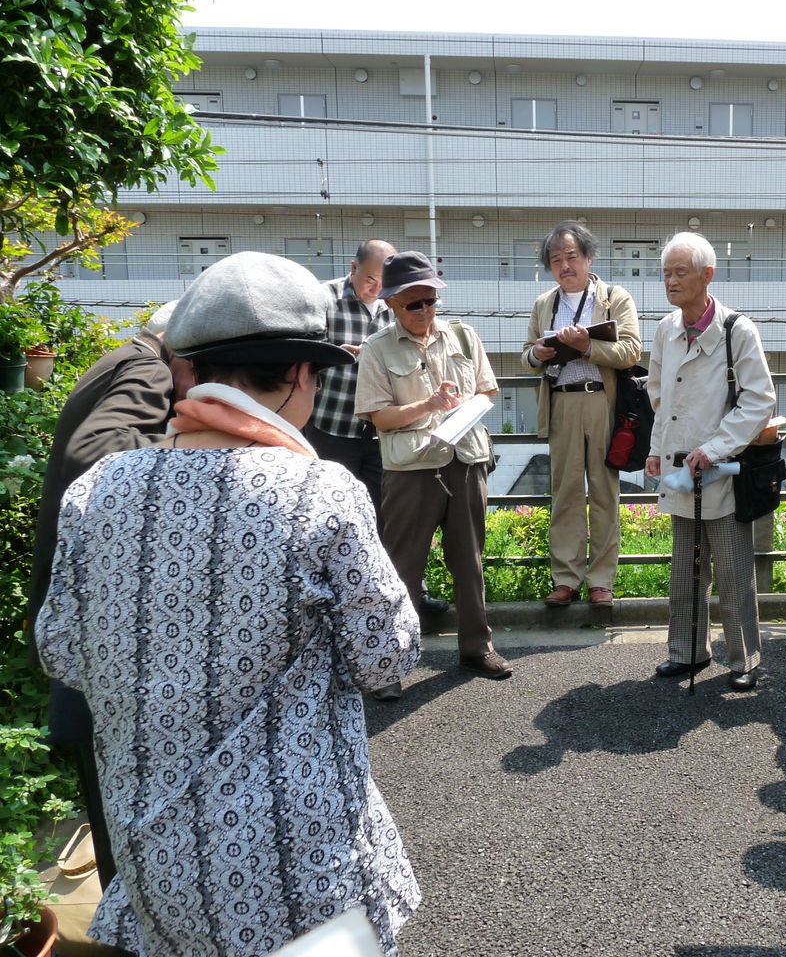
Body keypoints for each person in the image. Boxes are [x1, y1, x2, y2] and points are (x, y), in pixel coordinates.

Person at [36, 251, 423, 956]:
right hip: (300, 863)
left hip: (157, 861)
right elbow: (385, 657)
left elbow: (61, 649)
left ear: (191, 371)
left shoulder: (99, 490)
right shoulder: (318, 491)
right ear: (300, 374)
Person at [26, 299, 188, 892]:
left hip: (73, 603)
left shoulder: (122, 357)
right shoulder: (149, 368)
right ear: (176, 345)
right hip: (93, 615)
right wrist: (189, 449)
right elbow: (91, 452)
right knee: (122, 806)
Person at [355, 250, 513, 684]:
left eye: (431, 300)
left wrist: (465, 408)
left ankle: (477, 649)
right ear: (391, 303)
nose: (425, 310)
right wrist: (429, 405)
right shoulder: (376, 349)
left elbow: (487, 390)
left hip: (465, 460)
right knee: (403, 565)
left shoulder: (463, 335)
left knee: (469, 560)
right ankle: (389, 663)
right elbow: (379, 417)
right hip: (411, 468)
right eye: (414, 304)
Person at [646, 232, 775, 691]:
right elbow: (659, 398)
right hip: (682, 470)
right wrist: (655, 450)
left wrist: (715, 448)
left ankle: (745, 661)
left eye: (681, 272)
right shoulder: (665, 328)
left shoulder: (737, 329)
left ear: (707, 275)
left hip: (723, 470)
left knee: (734, 573)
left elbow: (759, 400)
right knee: (685, 570)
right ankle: (687, 652)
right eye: (666, 273)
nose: (671, 281)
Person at [522, 221, 642, 607]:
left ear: (588, 258)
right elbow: (526, 355)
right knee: (566, 493)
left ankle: (601, 580)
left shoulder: (614, 297)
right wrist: (537, 354)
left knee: (605, 491)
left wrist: (588, 346)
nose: (564, 265)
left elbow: (631, 351)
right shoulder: (544, 304)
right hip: (561, 402)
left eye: (571, 256)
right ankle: (566, 578)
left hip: (602, 400)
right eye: (556, 259)